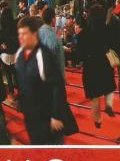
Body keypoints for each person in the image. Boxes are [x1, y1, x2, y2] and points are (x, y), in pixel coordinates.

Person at [15, 16, 78, 144]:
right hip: (32, 118)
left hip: (48, 118)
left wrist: (55, 116)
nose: (20, 37)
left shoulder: (43, 55)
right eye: (19, 34)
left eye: (24, 34)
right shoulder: (20, 55)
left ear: (34, 34)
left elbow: (57, 86)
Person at [73, 4, 116, 128]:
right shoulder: (107, 29)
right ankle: (108, 105)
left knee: (95, 95)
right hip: (105, 63)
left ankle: (98, 119)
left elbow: (79, 54)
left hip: (91, 65)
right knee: (108, 86)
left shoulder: (85, 32)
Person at [39, 8, 65, 78]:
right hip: (51, 77)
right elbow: (60, 63)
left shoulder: (36, 33)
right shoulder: (56, 39)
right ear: (53, 19)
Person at [0, 7, 19, 101]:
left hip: (4, 55)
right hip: (15, 54)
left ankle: (11, 94)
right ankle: (19, 93)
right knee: (15, 74)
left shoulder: (2, 27)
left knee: (7, 75)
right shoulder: (15, 24)